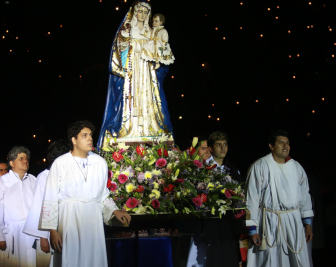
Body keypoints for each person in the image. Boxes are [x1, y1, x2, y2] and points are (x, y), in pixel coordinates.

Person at [39, 120, 131, 267]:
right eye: (84, 135)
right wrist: (52, 230)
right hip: (69, 217)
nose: (90, 138)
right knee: (71, 258)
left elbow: (103, 194)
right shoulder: (60, 163)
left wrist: (114, 211)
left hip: (93, 218)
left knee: (92, 258)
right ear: (73, 140)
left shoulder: (100, 162)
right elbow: (50, 196)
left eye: (91, 135)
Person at [98, 0, 174, 147]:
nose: (143, 15)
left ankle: (149, 127)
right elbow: (119, 49)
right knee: (131, 95)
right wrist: (125, 41)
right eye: (140, 11)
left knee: (148, 95)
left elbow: (159, 46)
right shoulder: (128, 28)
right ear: (135, 12)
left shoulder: (151, 30)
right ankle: (130, 127)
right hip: (133, 68)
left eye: (146, 12)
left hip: (147, 68)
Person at [246, 130, 314, 267]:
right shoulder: (260, 166)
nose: (285, 146)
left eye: (287, 143)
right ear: (271, 146)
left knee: (296, 259)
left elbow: (305, 195)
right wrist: (252, 230)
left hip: (294, 221)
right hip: (270, 221)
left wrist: (307, 224)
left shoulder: (296, 167)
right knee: (271, 260)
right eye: (281, 142)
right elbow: (252, 197)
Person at [186, 133, 242, 267]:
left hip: (228, 226)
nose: (223, 148)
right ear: (211, 148)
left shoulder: (233, 170)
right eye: (218, 145)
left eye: (225, 144)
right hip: (207, 225)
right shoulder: (202, 169)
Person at [23, 140, 72, 267]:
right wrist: (42, 237)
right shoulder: (44, 176)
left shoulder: (69, 175)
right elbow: (39, 207)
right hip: (48, 233)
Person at [0, 146, 37, 267]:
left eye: (26, 158)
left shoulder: (33, 180)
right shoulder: (1, 182)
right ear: (11, 163)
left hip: (31, 231)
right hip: (12, 233)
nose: (25, 161)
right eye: (21, 158)